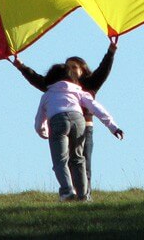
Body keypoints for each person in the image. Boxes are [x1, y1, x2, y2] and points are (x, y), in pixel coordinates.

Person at [13, 42, 116, 200]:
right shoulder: (55, 87)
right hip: (75, 125)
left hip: (84, 127)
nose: (71, 69)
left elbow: (103, 69)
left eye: (74, 66)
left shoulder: (89, 84)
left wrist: (110, 52)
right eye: (69, 67)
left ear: (82, 69)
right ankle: (75, 193)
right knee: (71, 160)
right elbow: (37, 79)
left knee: (82, 160)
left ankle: (84, 195)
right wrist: (21, 66)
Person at [34, 63, 124, 202]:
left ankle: (67, 192)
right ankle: (83, 196)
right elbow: (95, 107)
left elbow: (40, 117)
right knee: (78, 159)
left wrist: (42, 130)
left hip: (57, 121)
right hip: (78, 120)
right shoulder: (77, 91)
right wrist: (113, 127)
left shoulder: (47, 95)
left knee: (60, 160)